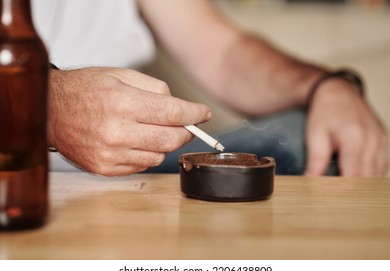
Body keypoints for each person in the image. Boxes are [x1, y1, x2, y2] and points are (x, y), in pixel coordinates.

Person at [32, 0, 388, 177]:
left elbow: (223, 53)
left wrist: (327, 86)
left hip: (135, 172)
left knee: (307, 137)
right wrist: (47, 107)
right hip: (20, 172)